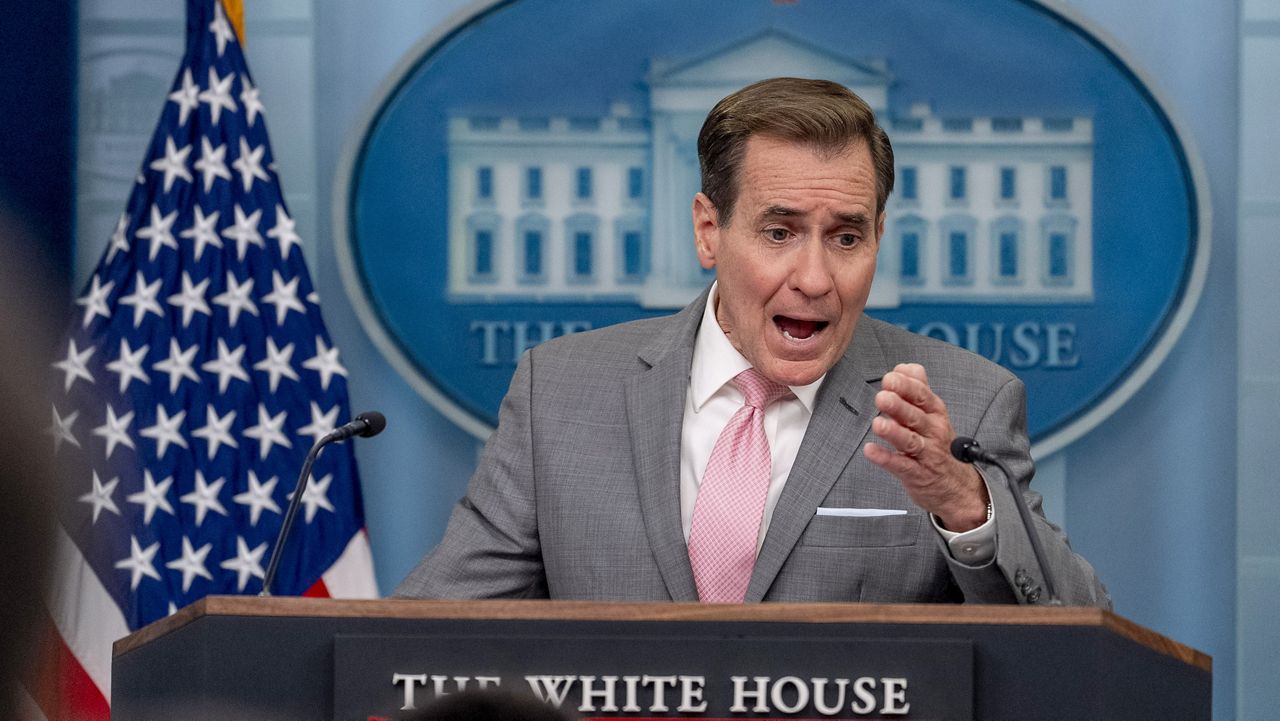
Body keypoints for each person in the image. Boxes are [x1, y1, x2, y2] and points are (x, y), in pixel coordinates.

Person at [396, 77, 1109, 607]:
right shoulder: (560, 393)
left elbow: (1078, 643)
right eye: (779, 231)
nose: (815, 276)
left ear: (879, 239)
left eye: (847, 237)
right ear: (710, 230)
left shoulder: (967, 404)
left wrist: (963, 504)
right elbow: (420, 637)